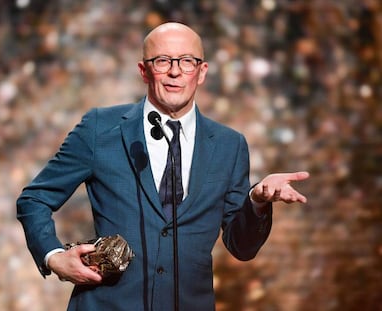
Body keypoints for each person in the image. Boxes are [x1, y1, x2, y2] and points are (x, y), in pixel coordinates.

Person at [17, 22, 309, 311]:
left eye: (186, 61)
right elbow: (34, 199)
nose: (175, 71)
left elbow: (241, 246)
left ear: (202, 72)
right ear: (144, 71)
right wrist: (54, 256)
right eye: (162, 61)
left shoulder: (229, 145)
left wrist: (256, 201)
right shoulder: (99, 128)